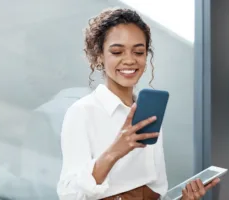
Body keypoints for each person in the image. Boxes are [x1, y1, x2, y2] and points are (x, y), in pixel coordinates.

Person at [57, 8, 220, 200]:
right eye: (117, 51)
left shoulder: (148, 115)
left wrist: (185, 198)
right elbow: (70, 194)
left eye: (139, 52)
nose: (129, 60)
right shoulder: (82, 112)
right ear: (99, 55)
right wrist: (115, 150)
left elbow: (158, 191)